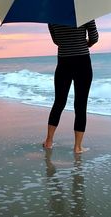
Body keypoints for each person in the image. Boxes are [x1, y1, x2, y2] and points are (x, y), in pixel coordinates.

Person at [42, 20, 99, 154]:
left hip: (63, 62)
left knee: (59, 102)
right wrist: (87, 43)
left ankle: (49, 141)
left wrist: (68, 43)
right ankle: (77, 147)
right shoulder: (85, 12)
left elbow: (56, 40)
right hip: (82, 62)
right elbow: (94, 37)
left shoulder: (53, 17)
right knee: (80, 104)